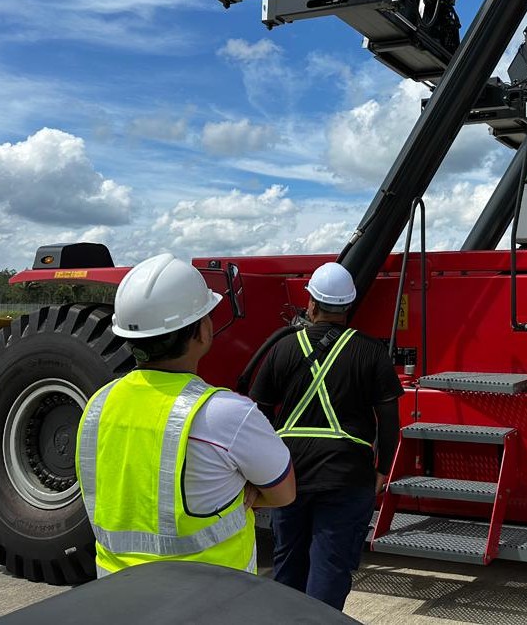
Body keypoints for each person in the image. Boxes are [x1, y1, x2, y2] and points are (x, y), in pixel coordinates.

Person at [76, 253, 295, 578]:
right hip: (210, 599)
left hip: (116, 596)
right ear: (201, 332)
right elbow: (283, 492)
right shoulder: (227, 415)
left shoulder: (97, 405)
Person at [249, 261, 403, 611]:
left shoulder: (282, 348)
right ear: (348, 307)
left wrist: (260, 473)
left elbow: (257, 414)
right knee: (330, 568)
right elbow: (389, 420)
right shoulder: (372, 352)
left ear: (312, 305)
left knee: (288, 562)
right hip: (347, 478)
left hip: (290, 475)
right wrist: (383, 469)